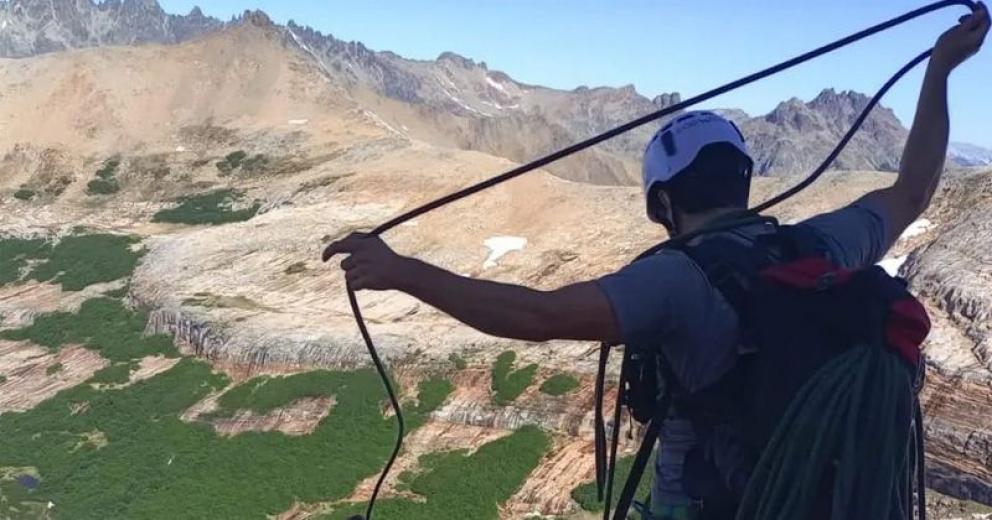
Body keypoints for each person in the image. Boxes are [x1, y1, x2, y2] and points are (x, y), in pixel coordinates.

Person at [325, 6, 988, 519]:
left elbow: (535, 314)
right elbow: (912, 190)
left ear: (662, 204)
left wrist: (403, 270)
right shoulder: (819, 247)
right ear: (745, 181)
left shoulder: (675, 281)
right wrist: (942, 68)